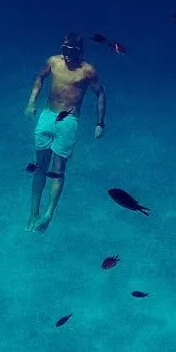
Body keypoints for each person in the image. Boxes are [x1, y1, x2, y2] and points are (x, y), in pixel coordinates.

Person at [25, 33, 106, 232]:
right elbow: (40, 78)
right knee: (39, 166)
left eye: (72, 51)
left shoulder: (88, 71)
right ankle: (34, 213)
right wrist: (31, 102)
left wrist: (100, 123)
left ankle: (48, 214)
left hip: (68, 120)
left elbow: (100, 94)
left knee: (58, 169)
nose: (67, 54)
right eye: (64, 49)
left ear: (80, 51)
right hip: (47, 115)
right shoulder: (53, 61)